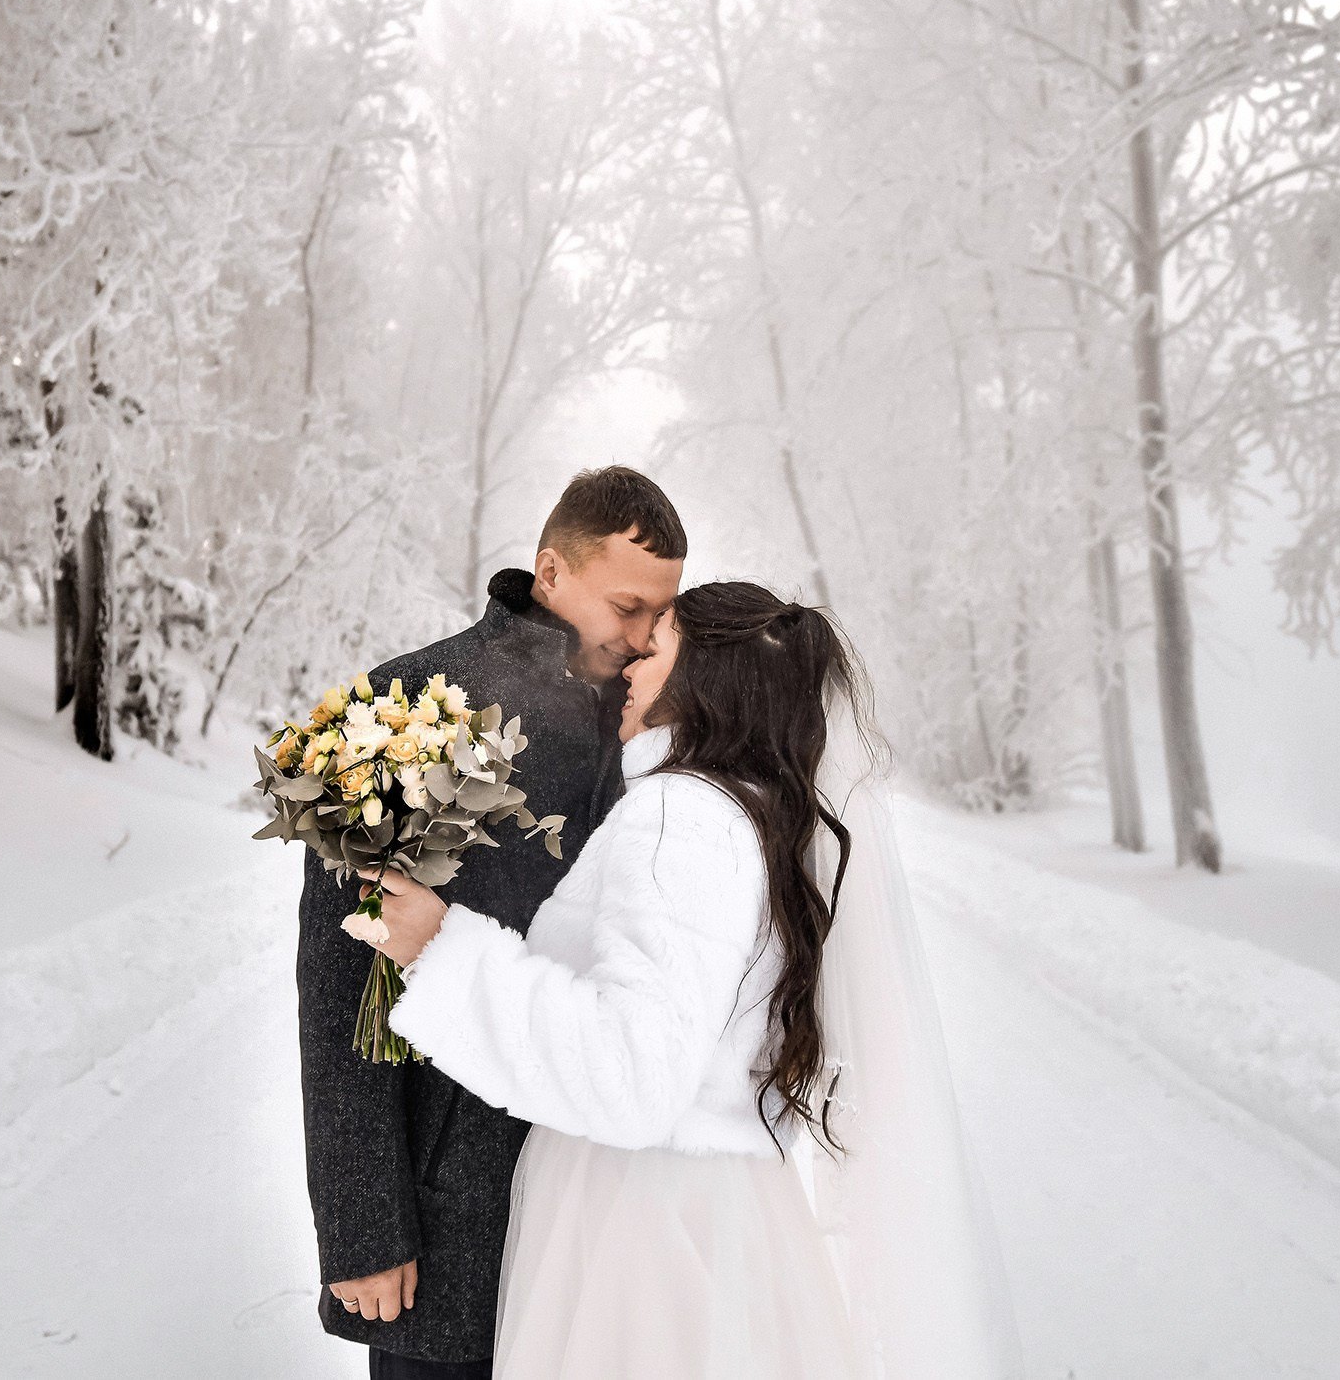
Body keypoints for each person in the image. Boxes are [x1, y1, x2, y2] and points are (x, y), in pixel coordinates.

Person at [365, 582, 1022, 1379]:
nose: (635, 657)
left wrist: (442, 951)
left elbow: (634, 1074)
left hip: (638, 1232)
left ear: (708, 674)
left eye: (660, 640)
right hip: (708, 1213)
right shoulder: (747, 813)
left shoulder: (684, 818)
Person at [297, 466, 687, 1378]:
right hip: (450, 1220)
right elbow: (337, 987)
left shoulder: (647, 731)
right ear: (551, 570)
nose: (639, 639)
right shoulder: (400, 713)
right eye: (627, 607)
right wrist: (364, 1225)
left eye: (658, 619)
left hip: (604, 1217)